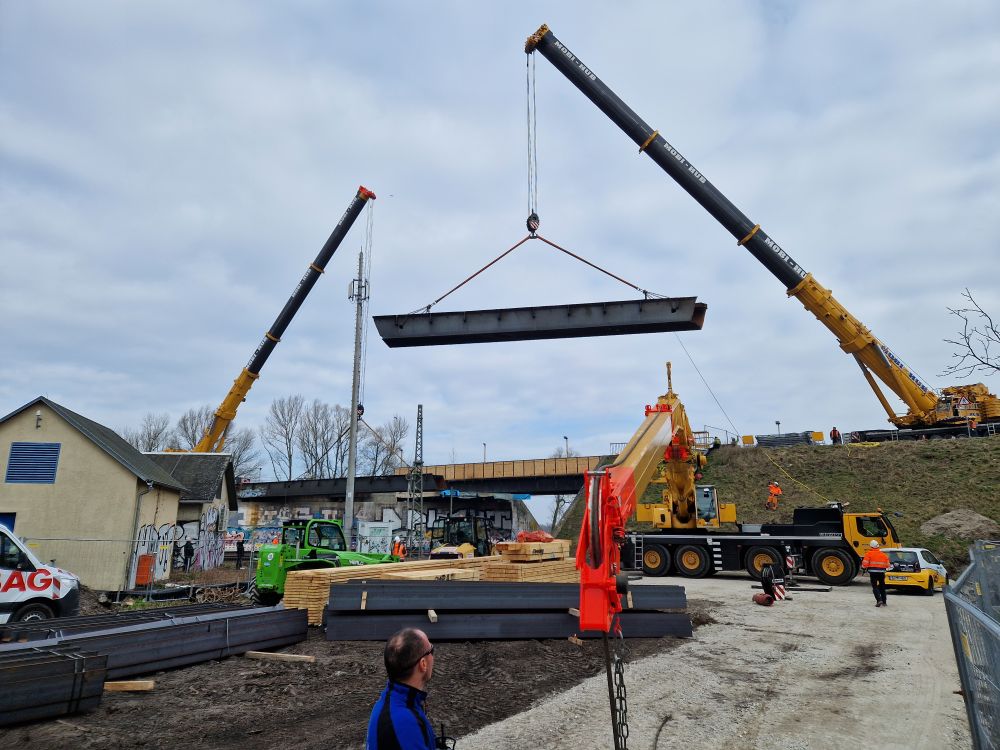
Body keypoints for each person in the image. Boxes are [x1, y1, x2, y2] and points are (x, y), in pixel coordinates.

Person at [367, 628, 437, 750]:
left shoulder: (392, 701)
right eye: (431, 650)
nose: (433, 654)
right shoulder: (406, 725)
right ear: (423, 664)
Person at [860, 539, 891, 607]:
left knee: (875, 587)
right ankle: (884, 602)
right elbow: (888, 565)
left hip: (873, 573)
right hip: (882, 573)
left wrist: (863, 568)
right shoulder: (883, 555)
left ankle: (879, 600)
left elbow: (865, 564)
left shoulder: (868, 554)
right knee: (882, 587)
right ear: (878, 546)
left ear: (871, 546)